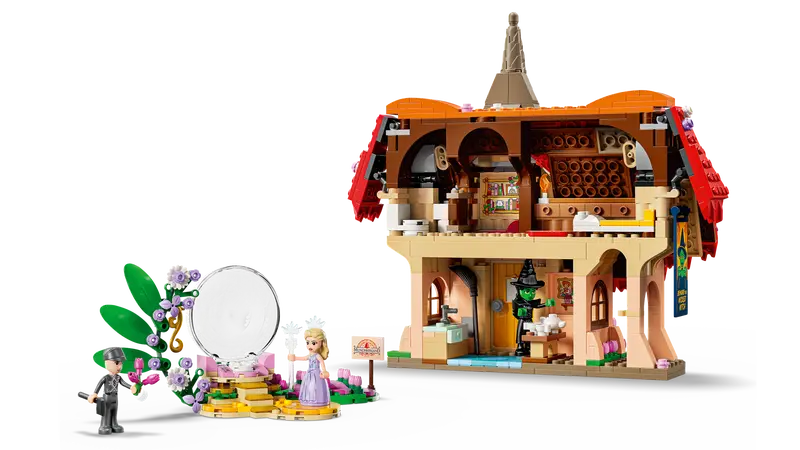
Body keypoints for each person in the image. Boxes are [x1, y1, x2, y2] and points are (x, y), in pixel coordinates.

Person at [86, 346, 137, 434]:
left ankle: (115, 424)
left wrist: (131, 387)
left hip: (116, 398)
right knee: (107, 412)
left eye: (121, 363)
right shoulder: (105, 377)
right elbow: (98, 386)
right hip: (107, 398)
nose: (120, 366)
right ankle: (105, 425)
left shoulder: (118, 377)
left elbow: (124, 383)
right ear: (107, 363)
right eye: (117, 363)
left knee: (115, 410)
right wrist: (93, 394)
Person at [286, 327, 331, 407]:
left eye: (313, 343)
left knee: (316, 387)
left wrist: (324, 371)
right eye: (307, 343)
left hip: (317, 375)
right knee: (308, 387)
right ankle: (308, 400)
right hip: (309, 375)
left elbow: (322, 364)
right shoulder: (309, 355)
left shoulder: (317, 356)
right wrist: (293, 358)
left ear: (321, 343)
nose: (310, 346)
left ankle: (317, 401)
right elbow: (302, 358)